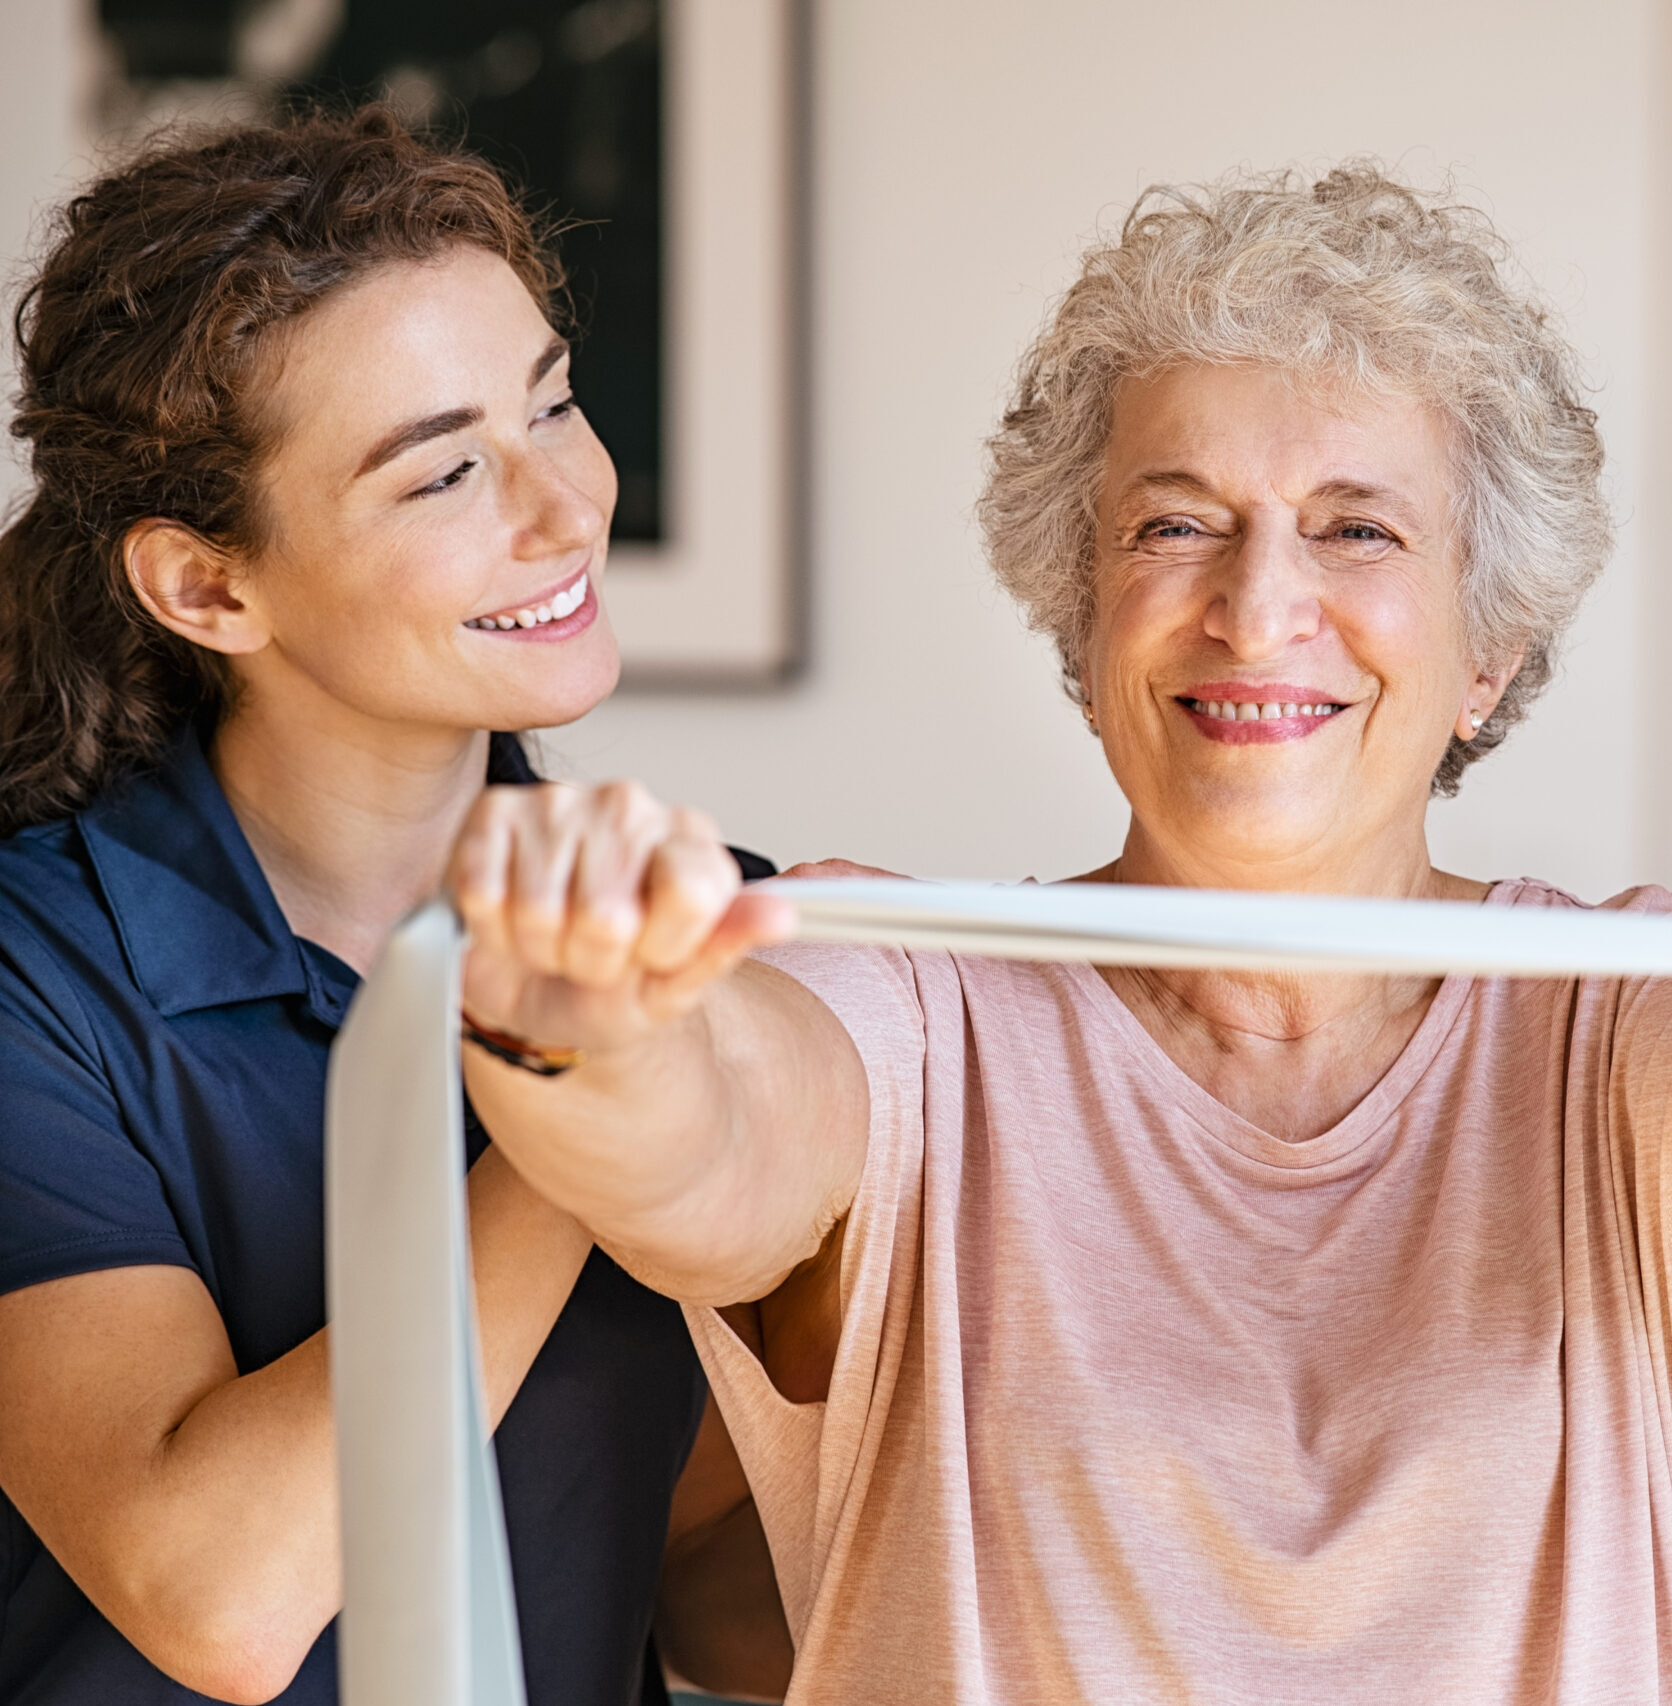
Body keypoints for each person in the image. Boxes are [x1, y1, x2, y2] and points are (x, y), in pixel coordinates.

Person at [445, 167, 1671, 1703]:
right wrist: (587, 1020)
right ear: (1083, 626)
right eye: (1178, 524)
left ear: (1488, 651)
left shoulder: (1625, 1017)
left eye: (1356, 529)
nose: (1258, 603)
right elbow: (706, 1142)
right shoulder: (901, 994)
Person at [0, 107, 789, 1704]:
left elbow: (697, 1571)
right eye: (446, 472)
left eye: (552, 403)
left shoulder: (728, 928)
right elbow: (221, 1592)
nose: (568, 507)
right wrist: (607, 1087)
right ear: (208, 586)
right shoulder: (36, 977)